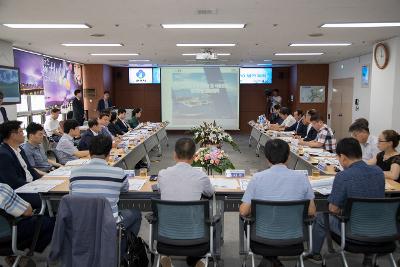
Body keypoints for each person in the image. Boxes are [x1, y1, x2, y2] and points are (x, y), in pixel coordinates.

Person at [306, 138, 385, 266]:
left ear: (342, 157)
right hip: (380, 227)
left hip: (352, 230)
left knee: (321, 216)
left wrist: (345, 210)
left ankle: (314, 253)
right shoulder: (378, 172)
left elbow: (333, 209)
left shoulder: (343, 176)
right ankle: (369, 256)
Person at [240, 139, 316, 267]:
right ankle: (272, 261)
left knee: (246, 218)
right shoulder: (302, 178)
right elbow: (312, 211)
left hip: (261, 238)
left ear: (267, 158)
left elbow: (243, 211)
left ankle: (270, 260)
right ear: (288, 157)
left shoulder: (257, 178)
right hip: (294, 238)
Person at [158, 137, 214, 267]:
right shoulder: (201, 176)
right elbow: (210, 193)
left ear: (174, 154)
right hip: (195, 235)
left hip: (166, 235)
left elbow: (160, 189)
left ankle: (166, 256)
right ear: (194, 156)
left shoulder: (162, 174)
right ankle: (200, 259)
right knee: (213, 221)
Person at [70, 135, 142, 236]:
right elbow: (125, 190)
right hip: (109, 224)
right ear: (109, 152)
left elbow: (72, 195)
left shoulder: (74, 173)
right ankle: (125, 247)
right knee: (135, 213)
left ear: (89, 152)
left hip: (80, 223)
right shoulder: (118, 173)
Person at [0, 183, 55, 254]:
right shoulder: (2, 188)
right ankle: (31, 253)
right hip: (11, 236)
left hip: (4, 237)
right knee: (50, 222)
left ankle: (21, 256)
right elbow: (28, 212)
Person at [0, 121, 41, 208]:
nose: (23, 134)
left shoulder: (20, 150)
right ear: (12, 135)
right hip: (20, 192)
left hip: (31, 186)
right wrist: (34, 186)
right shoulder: (3, 154)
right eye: (21, 131)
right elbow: (13, 182)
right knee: (49, 200)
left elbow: (30, 170)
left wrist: (42, 181)